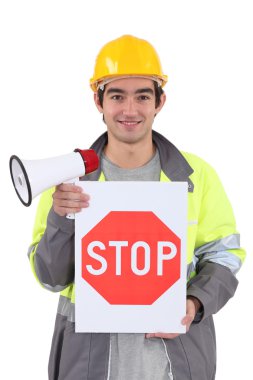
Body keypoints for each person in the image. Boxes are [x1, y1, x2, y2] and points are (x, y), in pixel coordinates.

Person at [28, 35, 246, 380]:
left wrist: (194, 303)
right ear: (98, 101)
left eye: (142, 96)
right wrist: (60, 218)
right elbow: (51, 279)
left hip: (177, 363)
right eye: (117, 96)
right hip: (87, 364)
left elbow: (223, 255)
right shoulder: (68, 179)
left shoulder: (196, 176)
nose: (130, 110)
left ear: (160, 101)